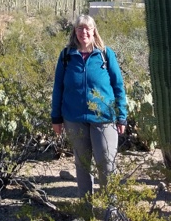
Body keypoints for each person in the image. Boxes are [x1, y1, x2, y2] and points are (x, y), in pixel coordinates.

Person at [51, 14, 127, 209]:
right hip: (74, 119)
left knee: (107, 164)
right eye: (80, 28)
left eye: (87, 28)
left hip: (104, 118)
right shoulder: (66, 56)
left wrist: (122, 116)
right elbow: (58, 87)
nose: (83, 32)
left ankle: (112, 210)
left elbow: (118, 86)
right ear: (75, 32)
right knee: (83, 165)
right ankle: (86, 210)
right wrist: (56, 118)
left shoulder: (105, 54)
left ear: (94, 31)